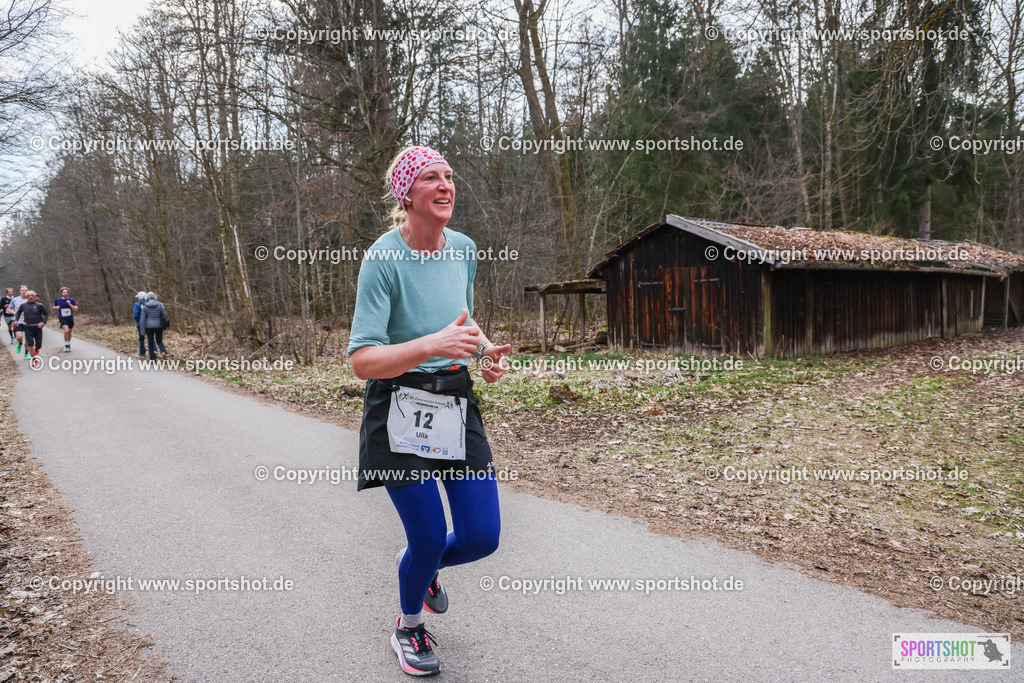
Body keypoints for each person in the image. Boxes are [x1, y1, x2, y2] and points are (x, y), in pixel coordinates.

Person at [347, 146, 512, 677]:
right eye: (431, 178)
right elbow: (363, 360)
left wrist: (483, 351)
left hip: (455, 401)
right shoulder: (383, 260)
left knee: (481, 536)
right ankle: (409, 625)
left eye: (449, 176)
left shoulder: (464, 248)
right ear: (407, 194)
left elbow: (463, 322)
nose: (446, 185)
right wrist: (431, 345)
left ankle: (419, 568)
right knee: (427, 535)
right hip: (398, 405)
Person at [15, 291, 47, 359]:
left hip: (37, 327)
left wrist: (43, 322)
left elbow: (46, 314)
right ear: (26, 297)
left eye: (32, 295)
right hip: (28, 327)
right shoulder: (23, 306)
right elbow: (18, 313)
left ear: (35, 297)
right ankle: (34, 359)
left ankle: (37, 348)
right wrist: (16, 320)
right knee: (30, 344)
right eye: (29, 296)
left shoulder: (39, 305)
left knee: (39, 345)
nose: (30, 297)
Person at [138, 292, 169, 360]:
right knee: (159, 341)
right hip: (159, 326)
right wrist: (165, 325)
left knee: (150, 342)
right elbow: (165, 316)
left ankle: (152, 358)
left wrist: (142, 331)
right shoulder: (160, 305)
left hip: (149, 327)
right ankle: (163, 351)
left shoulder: (145, 307)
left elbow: (142, 320)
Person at [52, 287, 78, 352]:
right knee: (66, 330)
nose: (65, 293)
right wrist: (56, 308)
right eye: (64, 292)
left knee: (69, 331)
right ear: (61, 293)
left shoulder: (71, 300)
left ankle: (68, 343)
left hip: (70, 318)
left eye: (66, 292)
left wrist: (69, 304)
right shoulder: (57, 300)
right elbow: (54, 306)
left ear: (68, 293)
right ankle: (66, 345)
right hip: (62, 318)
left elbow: (75, 309)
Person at [10, 285, 27, 354]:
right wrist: (13, 312)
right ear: (20, 292)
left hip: (28, 322)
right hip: (18, 321)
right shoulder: (15, 300)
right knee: (19, 337)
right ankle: (19, 343)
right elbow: (8, 308)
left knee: (28, 340)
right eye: (22, 290)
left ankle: (26, 353)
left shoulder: (30, 299)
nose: (24, 292)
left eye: (25, 290)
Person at [133, 291, 147, 357]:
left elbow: (136, 315)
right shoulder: (149, 304)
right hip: (149, 323)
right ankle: (154, 351)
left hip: (140, 324)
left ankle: (142, 353)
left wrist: (137, 320)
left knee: (141, 339)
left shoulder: (137, 304)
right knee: (151, 338)